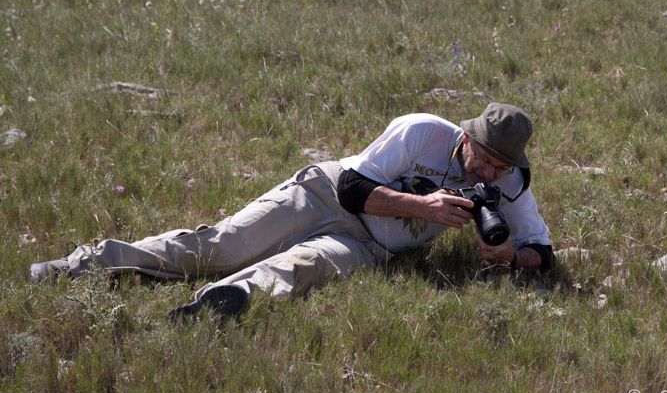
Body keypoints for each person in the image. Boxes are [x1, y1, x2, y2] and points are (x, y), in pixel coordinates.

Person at [30, 103, 554, 320]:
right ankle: (82, 264)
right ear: (466, 138)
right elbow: (353, 187)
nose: (485, 175)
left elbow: (542, 251)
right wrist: (426, 207)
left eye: (497, 169)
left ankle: (221, 303)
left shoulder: (510, 181)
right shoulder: (423, 131)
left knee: (301, 269)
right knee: (221, 247)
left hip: (369, 245)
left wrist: (509, 255)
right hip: (324, 193)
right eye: (481, 160)